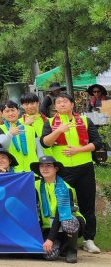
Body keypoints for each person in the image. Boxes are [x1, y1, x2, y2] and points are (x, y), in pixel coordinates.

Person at [41, 94, 103, 254]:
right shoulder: (50, 122)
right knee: (62, 205)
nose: (61, 104)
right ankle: (65, 240)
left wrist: (78, 150)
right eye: (58, 102)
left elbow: (97, 143)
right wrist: (58, 131)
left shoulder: (84, 121)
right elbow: (45, 143)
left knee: (87, 205)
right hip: (62, 170)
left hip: (84, 168)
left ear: (72, 104)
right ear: (54, 107)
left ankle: (89, 239)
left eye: (65, 101)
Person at [32, 156, 85, 263]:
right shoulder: (34, 185)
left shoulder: (65, 188)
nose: (44, 168)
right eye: (41, 166)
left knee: (68, 220)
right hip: (48, 227)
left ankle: (71, 250)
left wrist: (50, 239)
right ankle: (62, 247)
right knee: (49, 255)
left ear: (56, 168)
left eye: (48, 166)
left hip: (65, 223)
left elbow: (60, 214)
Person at [0, 101, 44, 173]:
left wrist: (42, 166)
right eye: (7, 111)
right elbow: (3, 148)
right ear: (2, 114)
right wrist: (10, 135)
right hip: (13, 173)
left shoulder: (30, 129)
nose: (11, 113)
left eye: (13, 110)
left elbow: (40, 152)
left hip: (33, 172)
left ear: (18, 112)